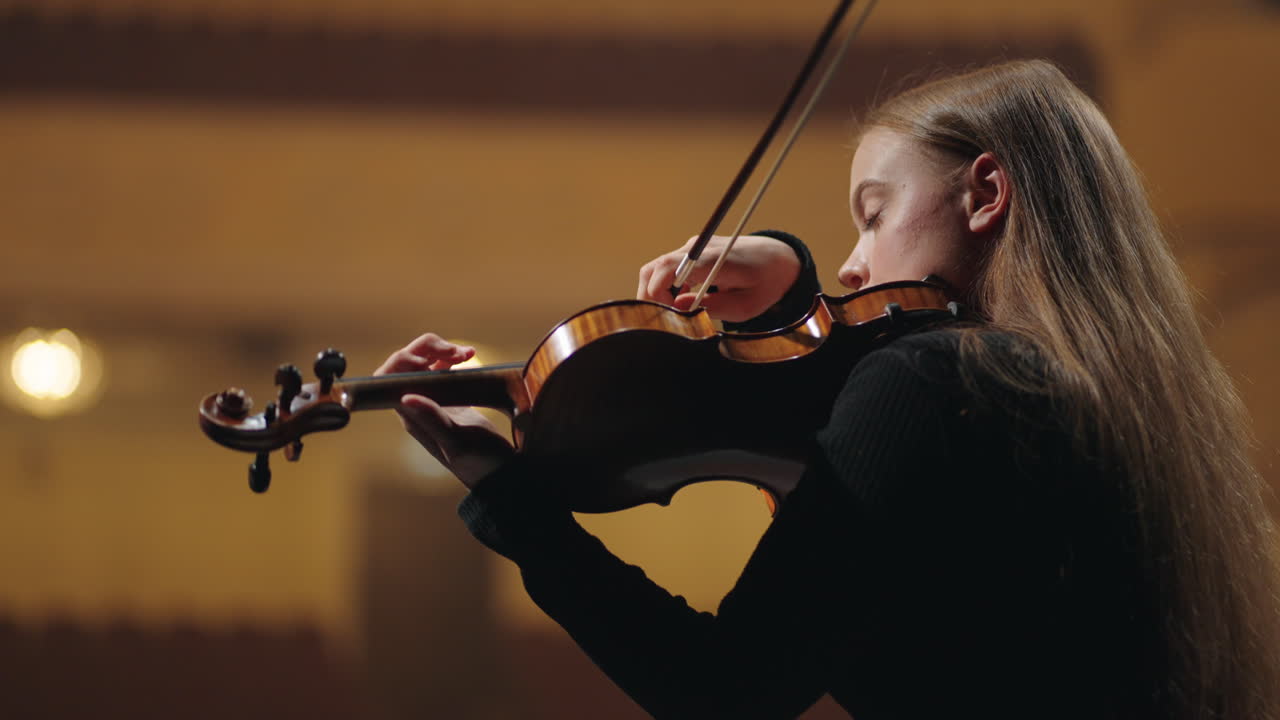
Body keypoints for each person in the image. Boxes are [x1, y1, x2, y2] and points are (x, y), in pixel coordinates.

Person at [375, 60, 1280, 719]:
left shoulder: (933, 377)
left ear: (987, 193)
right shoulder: (1117, 410)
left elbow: (726, 686)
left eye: (875, 213)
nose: (853, 262)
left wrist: (512, 500)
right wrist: (799, 290)